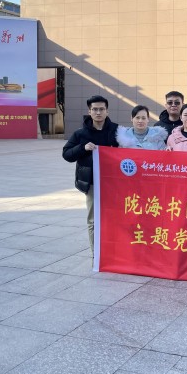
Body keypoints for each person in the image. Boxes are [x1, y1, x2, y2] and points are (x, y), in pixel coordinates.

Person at [62, 95, 119, 256]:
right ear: (89, 111)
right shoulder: (80, 134)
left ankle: (115, 252)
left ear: (107, 111)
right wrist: (82, 148)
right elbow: (66, 155)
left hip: (115, 184)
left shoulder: (117, 131)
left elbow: (129, 149)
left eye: (101, 109)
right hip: (93, 184)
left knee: (115, 219)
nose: (98, 112)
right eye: (95, 109)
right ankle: (97, 255)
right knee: (93, 220)